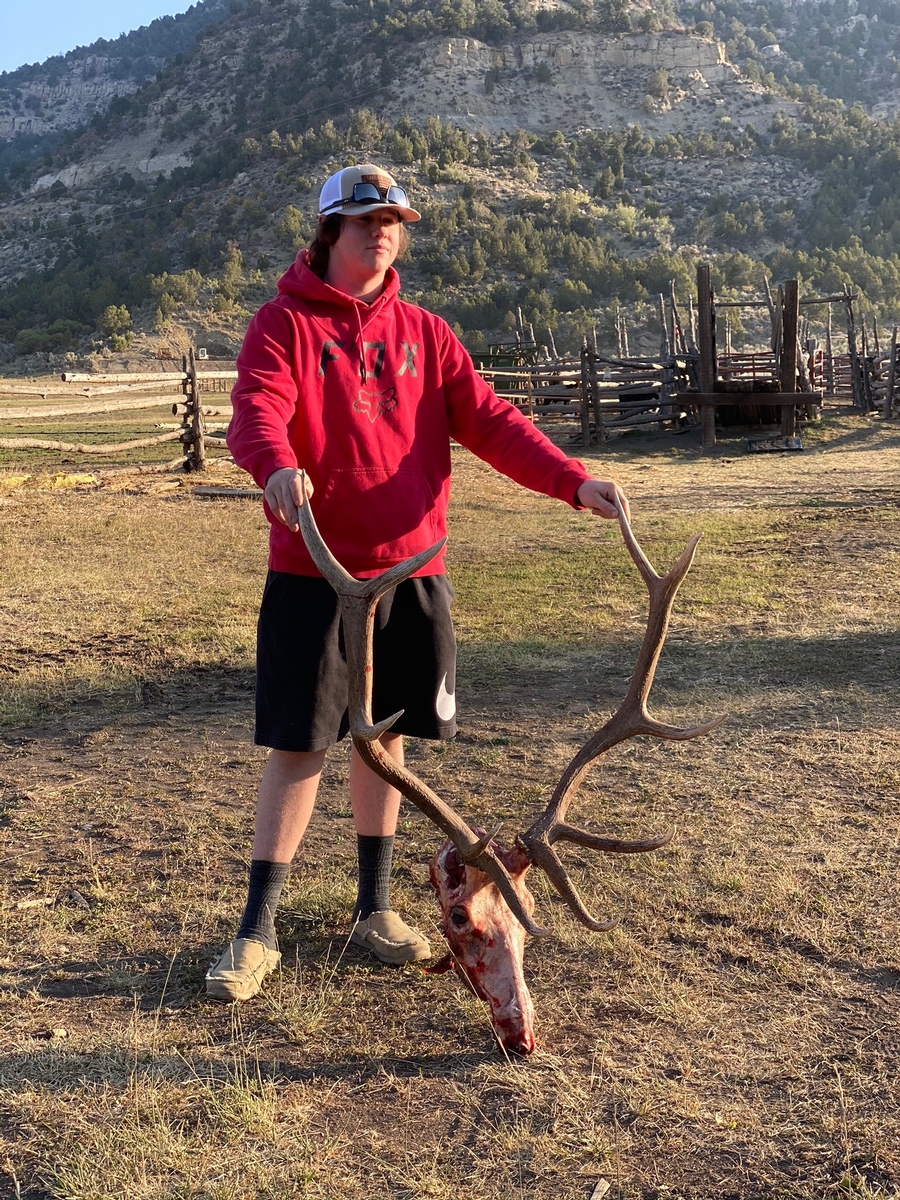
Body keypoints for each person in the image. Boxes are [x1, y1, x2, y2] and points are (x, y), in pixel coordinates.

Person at [206, 163, 630, 1001]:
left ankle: (374, 912)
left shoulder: (427, 335)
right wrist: (276, 465)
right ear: (330, 232)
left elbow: (493, 420)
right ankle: (257, 928)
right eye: (365, 219)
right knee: (300, 745)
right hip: (316, 571)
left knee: (388, 739)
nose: (382, 231)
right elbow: (256, 407)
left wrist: (570, 481)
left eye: (393, 219)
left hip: (411, 570)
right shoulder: (283, 325)